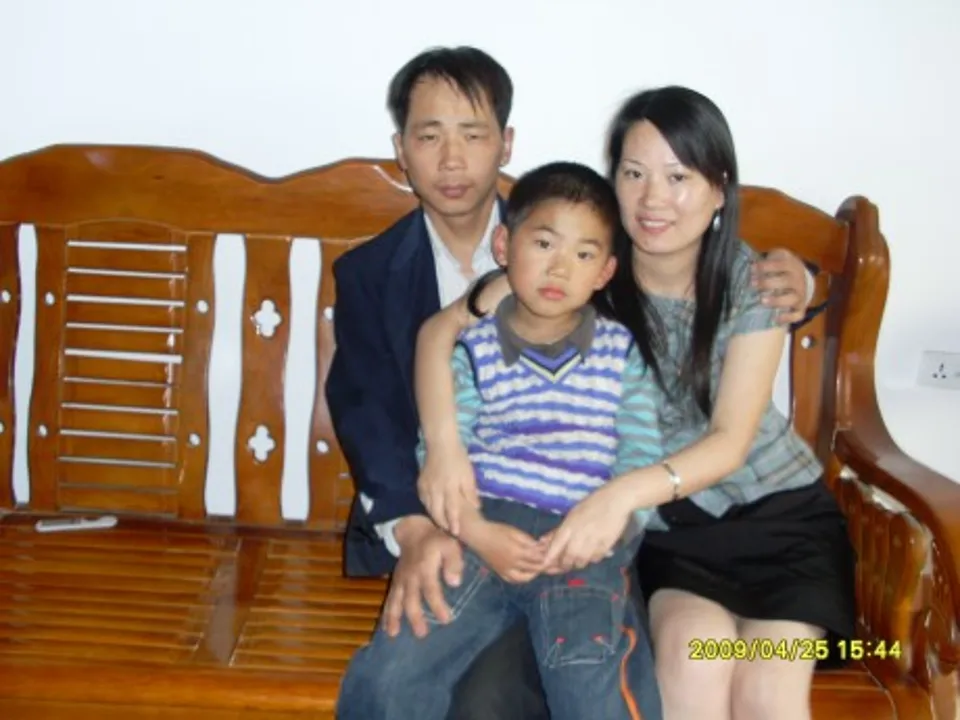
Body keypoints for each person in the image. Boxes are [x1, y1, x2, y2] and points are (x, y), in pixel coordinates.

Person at [326, 43, 816, 719]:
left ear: (506, 144)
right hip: (458, 526)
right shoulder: (369, 275)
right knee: (421, 683)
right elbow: (368, 410)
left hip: (595, 527)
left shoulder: (568, 237)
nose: (451, 160)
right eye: (429, 136)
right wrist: (418, 527)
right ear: (400, 149)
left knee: (510, 697)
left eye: (473, 135)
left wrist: (804, 280)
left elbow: (687, 257)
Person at [336, 160, 665, 720]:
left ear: (605, 272)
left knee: (592, 692)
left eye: (584, 254)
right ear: (504, 247)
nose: (560, 267)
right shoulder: (476, 348)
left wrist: (611, 531)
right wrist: (475, 530)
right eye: (544, 243)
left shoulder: (620, 353)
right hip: (480, 533)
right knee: (389, 679)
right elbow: (440, 455)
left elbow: (642, 457)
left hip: (581, 539)